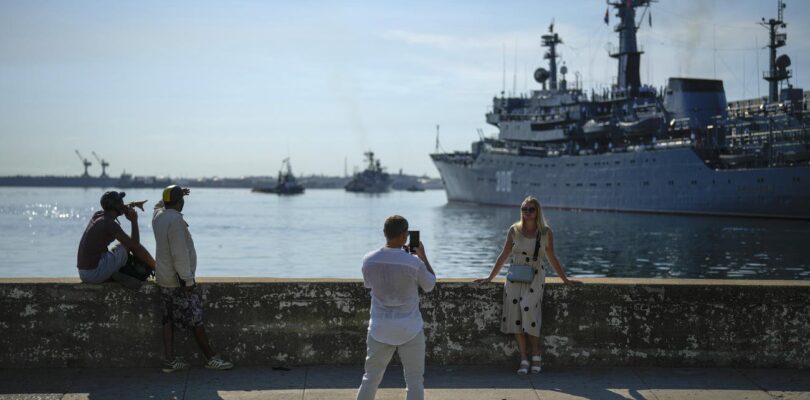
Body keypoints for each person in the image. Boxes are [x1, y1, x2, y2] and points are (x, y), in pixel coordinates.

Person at [475, 196, 580, 375]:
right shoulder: (514, 230)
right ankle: (524, 358)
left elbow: (552, 257)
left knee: (529, 309)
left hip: (535, 275)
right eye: (524, 209)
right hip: (515, 276)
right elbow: (504, 254)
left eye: (531, 209)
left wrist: (565, 279)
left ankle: (536, 353)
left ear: (537, 211)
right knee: (516, 314)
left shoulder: (545, 232)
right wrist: (490, 277)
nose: (527, 212)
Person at [152, 185, 233, 373]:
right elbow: (179, 254)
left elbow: (157, 205)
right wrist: (188, 281)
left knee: (167, 319)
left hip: (163, 278)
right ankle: (211, 358)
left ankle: (170, 361)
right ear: (180, 202)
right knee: (196, 319)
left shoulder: (158, 217)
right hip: (178, 281)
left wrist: (174, 193)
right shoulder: (176, 221)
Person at [357, 215, 436, 400]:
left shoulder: (368, 260)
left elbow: (369, 284)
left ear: (385, 233)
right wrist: (422, 256)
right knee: (414, 380)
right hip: (410, 327)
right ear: (405, 235)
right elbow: (430, 284)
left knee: (370, 378)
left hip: (379, 327)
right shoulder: (414, 262)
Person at [77, 191, 155, 283]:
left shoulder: (98, 215)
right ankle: (157, 268)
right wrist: (134, 221)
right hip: (93, 273)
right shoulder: (109, 224)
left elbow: (113, 208)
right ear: (117, 205)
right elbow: (135, 244)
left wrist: (132, 204)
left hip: (84, 272)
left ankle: (114, 274)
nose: (123, 203)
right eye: (121, 201)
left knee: (121, 245)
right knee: (127, 246)